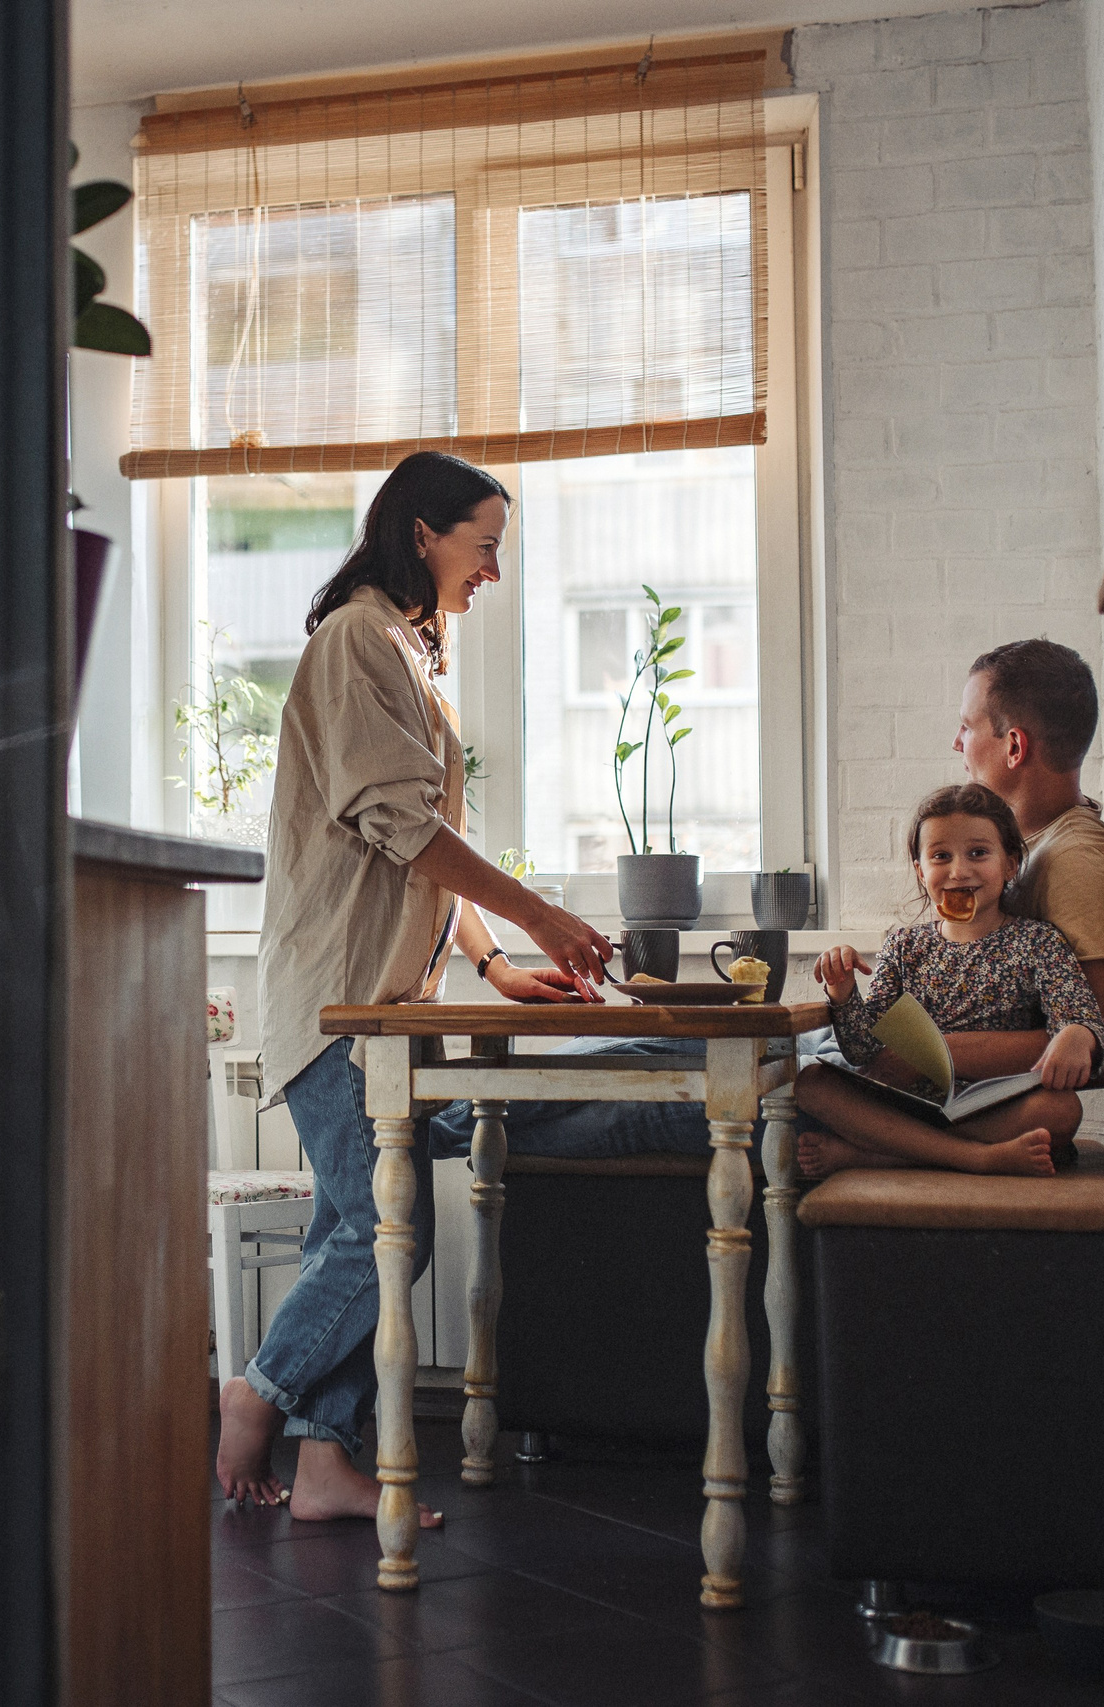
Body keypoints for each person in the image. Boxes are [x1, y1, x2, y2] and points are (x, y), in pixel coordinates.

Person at [217, 452, 679, 1520]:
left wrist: (495, 961)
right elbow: (401, 826)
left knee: (361, 1225)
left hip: (383, 1004)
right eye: (485, 546)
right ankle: (258, 1389)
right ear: (422, 532)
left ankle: (325, 1462)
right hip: (339, 1000)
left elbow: (422, 845)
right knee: (385, 1231)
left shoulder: (405, 651)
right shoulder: (356, 642)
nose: (495, 572)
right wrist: (540, 916)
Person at [795, 783, 1104, 1178]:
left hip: (991, 1107)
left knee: (1062, 1110)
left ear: (1010, 864)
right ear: (920, 870)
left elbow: (1083, 1020)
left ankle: (885, 1151)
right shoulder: (904, 945)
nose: (959, 871)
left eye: (978, 853)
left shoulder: (1038, 941)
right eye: (941, 856)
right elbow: (863, 1051)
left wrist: (1078, 1034)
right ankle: (976, 1158)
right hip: (909, 1104)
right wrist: (842, 992)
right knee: (811, 1083)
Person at [950, 638, 1104, 1083]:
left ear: (1014, 747)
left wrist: (920, 1053)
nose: (957, 744)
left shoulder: (1077, 859)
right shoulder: (1026, 847)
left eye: (967, 727)